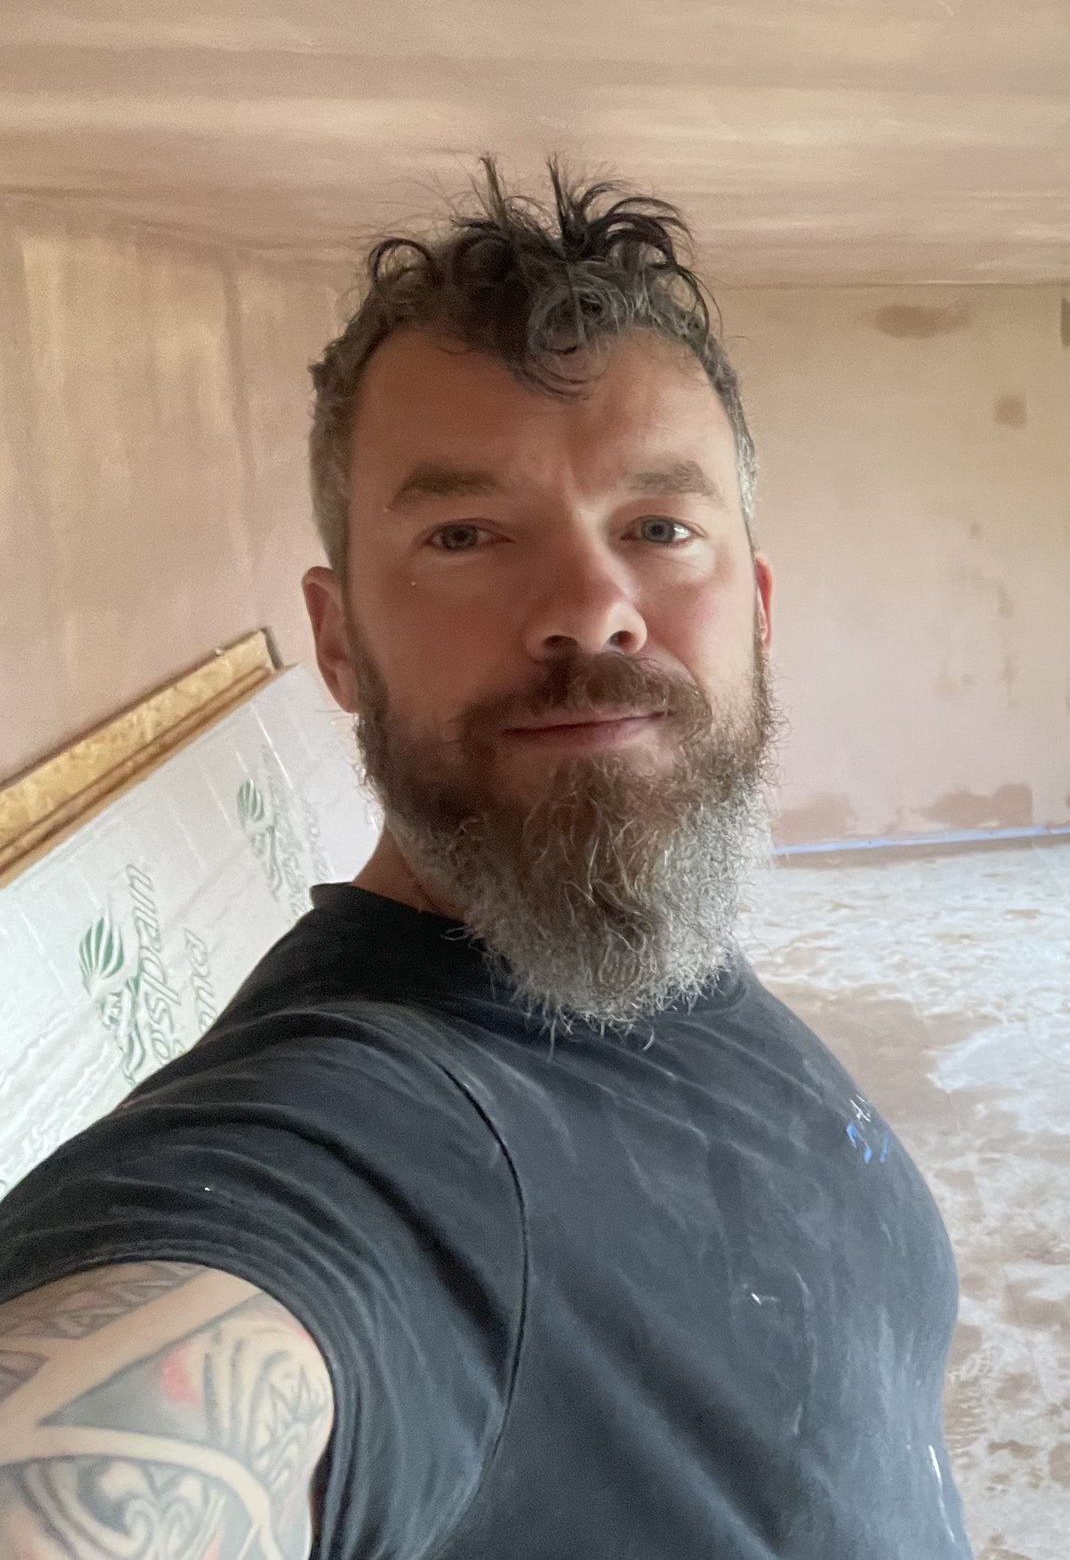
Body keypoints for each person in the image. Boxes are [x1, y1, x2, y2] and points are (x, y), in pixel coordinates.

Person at [0, 164, 972, 1559]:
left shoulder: (645, 954)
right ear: (340, 646)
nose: (592, 609)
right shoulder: (367, 1130)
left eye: (659, 527)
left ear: (754, 608)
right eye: (464, 536)